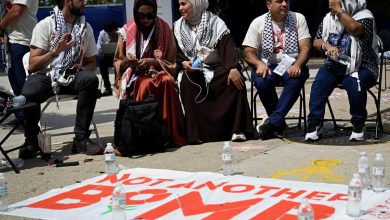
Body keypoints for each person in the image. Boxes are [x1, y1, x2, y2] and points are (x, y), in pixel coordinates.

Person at [18, 0, 101, 159]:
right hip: (46, 75)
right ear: (68, 1)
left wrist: (83, 69)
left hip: (72, 75)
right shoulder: (45, 25)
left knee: (90, 79)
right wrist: (54, 52)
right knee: (28, 92)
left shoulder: (85, 28)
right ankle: (32, 141)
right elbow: (33, 65)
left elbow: (91, 63)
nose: (85, 2)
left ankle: (80, 139)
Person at [174, 0, 253, 143]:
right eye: (179, 4)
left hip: (217, 67)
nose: (180, 8)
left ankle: (236, 129)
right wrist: (183, 63)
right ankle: (197, 134)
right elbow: (177, 55)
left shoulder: (216, 23)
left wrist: (233, 68)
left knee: (234, 78)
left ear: (196, 4)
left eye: (184, 4)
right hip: (194, 69)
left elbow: (227, 49)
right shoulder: (178, 27)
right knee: (187, 80)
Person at [113, 0, 187, 148]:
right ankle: (147, 133)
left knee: (165, 81)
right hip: (135, 75)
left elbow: (171, 63)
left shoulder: (165, 29)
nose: (145, 20)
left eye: (149, 16)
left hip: (159, 70)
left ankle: (168, 133)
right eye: (141, 16)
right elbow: (117, 62)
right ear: (135, 14)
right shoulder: (127, 30)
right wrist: (127, 61)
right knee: (145, 84)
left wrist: (153, 62)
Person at [305, 0, 378, 141]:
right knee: (320, 81)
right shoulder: (328, 18)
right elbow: (317, 41)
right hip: (335, 65)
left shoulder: (365, 16)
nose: (332, 1)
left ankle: (358, 124)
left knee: (354, 80)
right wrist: (326, 46)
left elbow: (355, 29)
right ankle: (314, 124)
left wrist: (339, 11)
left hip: (363, 65)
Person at [242, 0, 311, 140]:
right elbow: (248, 53)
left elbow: (306, 47)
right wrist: (259, 64)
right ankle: (277, 123)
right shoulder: (258, 22)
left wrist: (297, 65)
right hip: (267, 65)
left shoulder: (298, 18)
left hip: (291, 64)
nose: (285, 4)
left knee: (296, 78)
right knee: (262, 81)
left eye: (287, 1)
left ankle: (272, 123)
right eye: (279, 1)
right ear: (268, 5)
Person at [0, 0, 38, 126]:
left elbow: (16, 11)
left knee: (24, 86)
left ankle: (29, 123)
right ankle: (21, 117)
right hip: (13, 39)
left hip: (23, 40)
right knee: (15, 82)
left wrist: (0, 26)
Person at [96, 20, 117, 96]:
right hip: (107, 58)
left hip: (118, 57)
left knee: (118, 63)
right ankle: (107, 87)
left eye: (112, 33)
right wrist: (109, 42)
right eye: (108, 33)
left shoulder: (122, 32)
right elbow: (98, 51)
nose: (110, 34)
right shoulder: (102, 33)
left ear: (116, 29)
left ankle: (118, 85)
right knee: (102, 63)